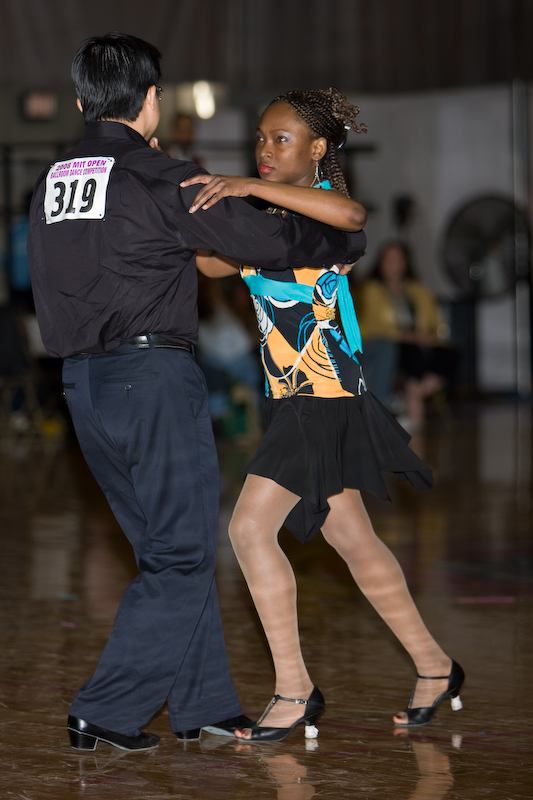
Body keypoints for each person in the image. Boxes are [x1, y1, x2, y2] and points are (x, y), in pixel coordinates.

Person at [27, 36, 367, 751]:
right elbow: (267, 240)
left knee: (167, 550)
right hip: (150, 381)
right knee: (181, 555)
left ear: (83, 100)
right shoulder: (160, 176)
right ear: (151, 99)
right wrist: (336, 242)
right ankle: (105, 708)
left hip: (82, 386)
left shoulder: (53, 182)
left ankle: (204, 701)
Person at [182, 87, 464, 742]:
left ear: (317, 149)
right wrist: (202, 203)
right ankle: (434, 667)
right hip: (303, 398)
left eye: (280, 139)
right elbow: (210, 264)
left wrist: (244, 187)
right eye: (260, 138)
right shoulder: (270, 221)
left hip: (322, 394)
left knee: (249, 531)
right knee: (353, 540)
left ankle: (294, 689)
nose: (264, 149)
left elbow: (353, 211)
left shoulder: (326, 216)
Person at [355, 242, 456, 430]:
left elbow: (435, 321)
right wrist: (408, 336)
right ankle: (398, 408)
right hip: (388, 341)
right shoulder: (372, 289)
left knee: (449, 355)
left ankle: (413, 396)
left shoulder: (417, 290)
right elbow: (376, 326)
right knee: (409, 356)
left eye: (398, 260)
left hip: (418, 342)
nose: (394, 265)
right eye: (389, 260)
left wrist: (427, 335)